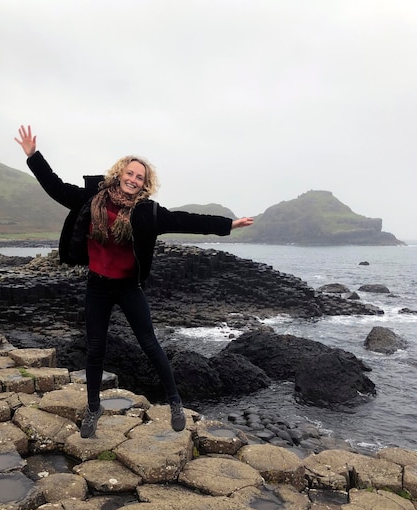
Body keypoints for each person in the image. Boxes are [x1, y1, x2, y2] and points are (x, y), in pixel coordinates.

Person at [15, 125, 253, 438]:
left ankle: (175, 401)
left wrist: (228, 225)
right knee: (95, 349)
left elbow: (186, 220)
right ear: (120, 173)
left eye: (140, 177)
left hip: (128, 287)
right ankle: (93, 408)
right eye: (130, 173)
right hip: (98, 285)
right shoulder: (94, 198)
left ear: (145, 183)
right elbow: (56, 188)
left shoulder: (147, 212)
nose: (133, 179)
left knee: (150, 343)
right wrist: (34, 156)